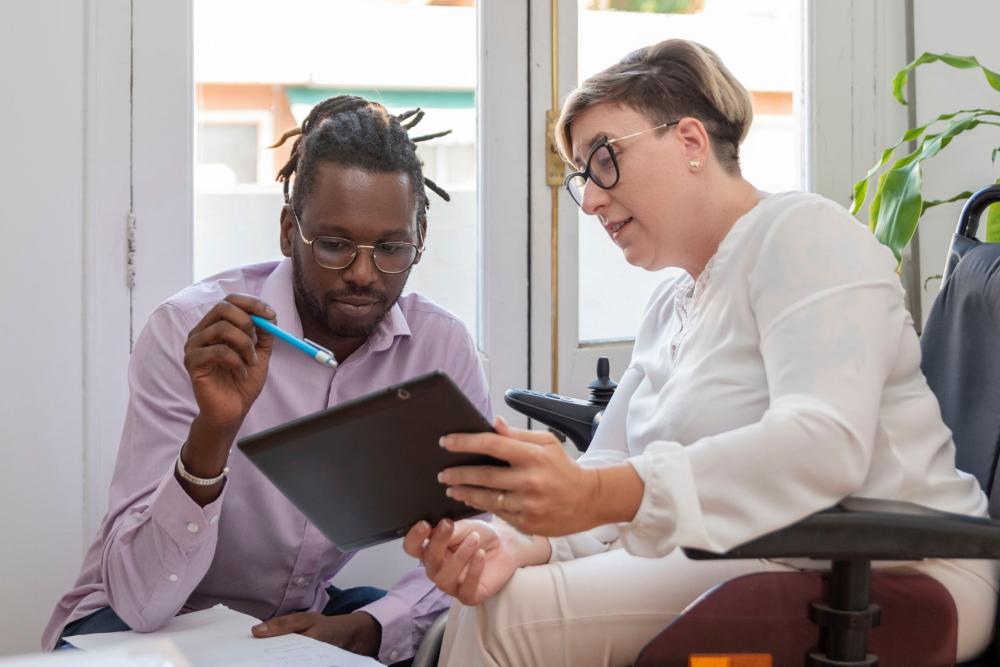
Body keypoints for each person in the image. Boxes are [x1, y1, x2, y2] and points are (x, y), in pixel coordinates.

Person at [403, 39, 1000, 666]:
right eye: (583, 178)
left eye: (603, 160)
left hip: (891, 570)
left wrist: (601, 495)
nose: (594, 197)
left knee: (508, 619)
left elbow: (823, 446)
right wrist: (515, 541)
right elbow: (609, 461)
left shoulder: (806, 235)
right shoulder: (671, 306)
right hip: (754, 552)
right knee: (490, 594)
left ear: (690, 141)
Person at [42, 96, 491, 665]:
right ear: (289, 231)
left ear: (420, 238)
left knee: (450, 630)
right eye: (334, 244)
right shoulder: (193, 333)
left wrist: (369, 627)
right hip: (137, 622)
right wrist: (214, 430)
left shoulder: (439, 347)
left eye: (391, 248)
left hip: (295, 619)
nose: (361, 273)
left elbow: (484, 531)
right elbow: (139, 600)